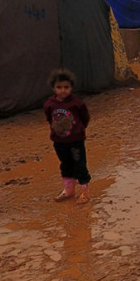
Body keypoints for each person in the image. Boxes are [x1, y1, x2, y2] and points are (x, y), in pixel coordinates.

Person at [44, 68, 92, 205]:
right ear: (53, 88)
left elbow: (85, 117)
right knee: (65, 165)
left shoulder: (77, 103)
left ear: (71, 87)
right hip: (59, 141)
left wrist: (79, 130)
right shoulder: (49, 104)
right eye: (59, 87)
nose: (63, 90)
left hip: (76, 141)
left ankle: (84, 191)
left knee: (80, 165)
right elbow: (50, 119)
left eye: (66, 87)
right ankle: (69, 190)